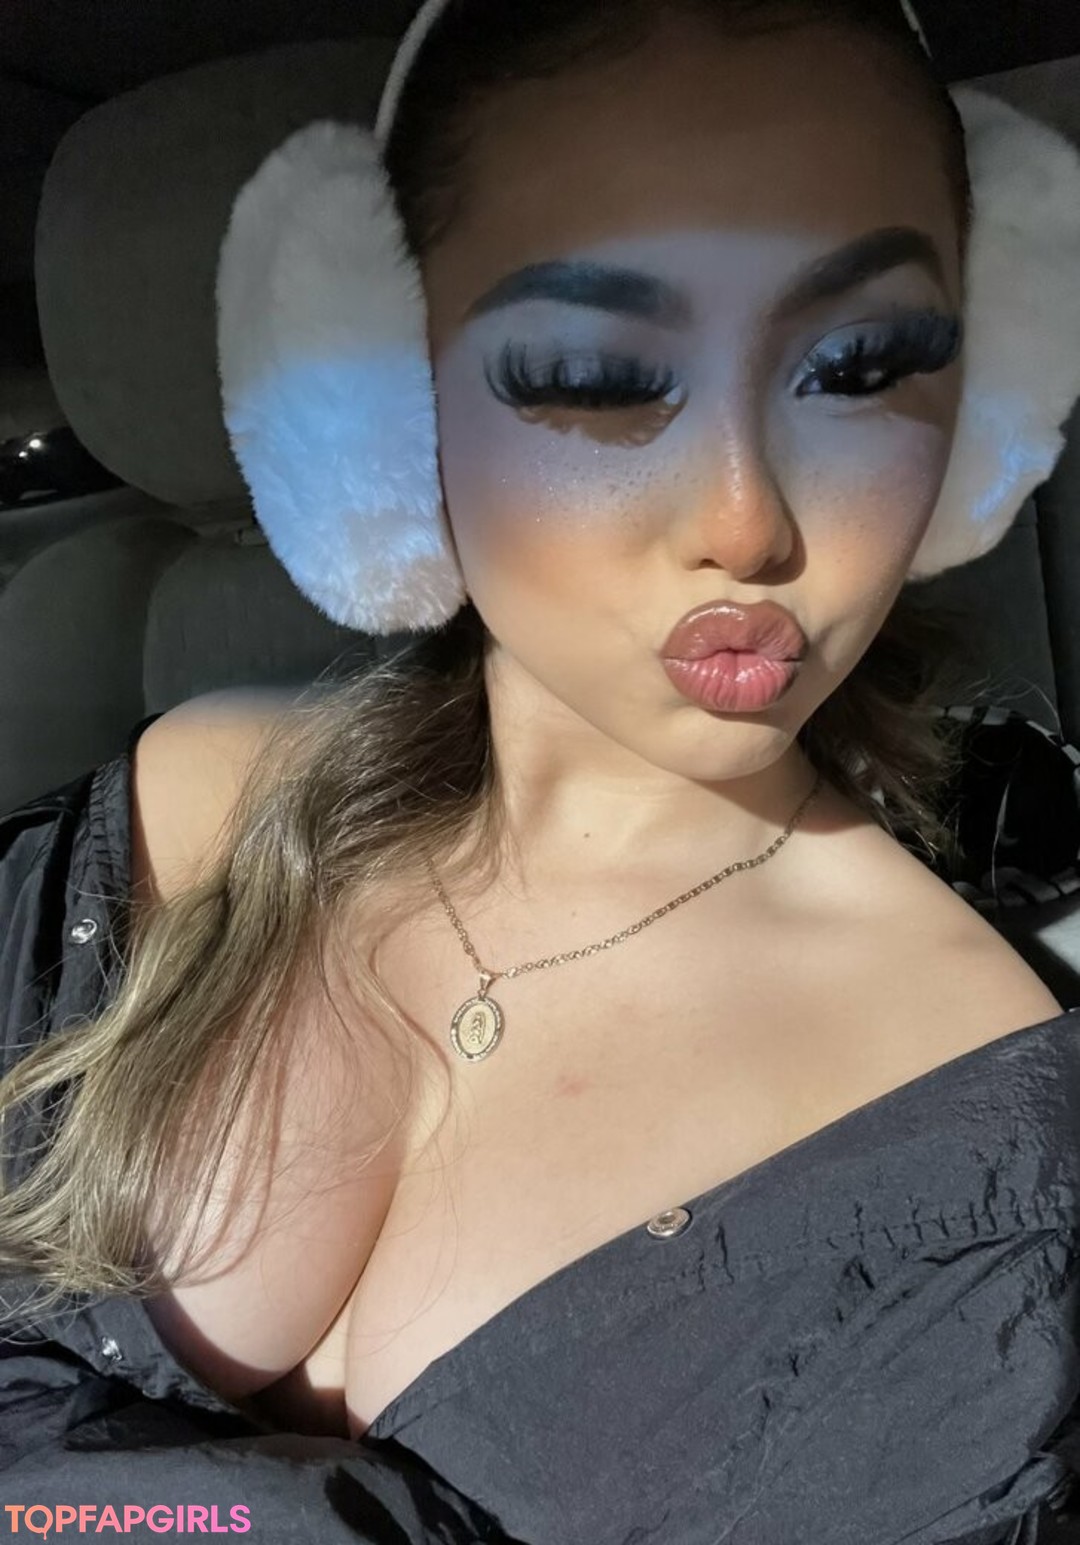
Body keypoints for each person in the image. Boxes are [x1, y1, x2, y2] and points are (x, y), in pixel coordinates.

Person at [2, 1, 1080, 1540]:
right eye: (592, 367)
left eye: (857, 364)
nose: (745, 519)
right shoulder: (183, 809)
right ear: (387, 409)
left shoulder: (978, 1157)